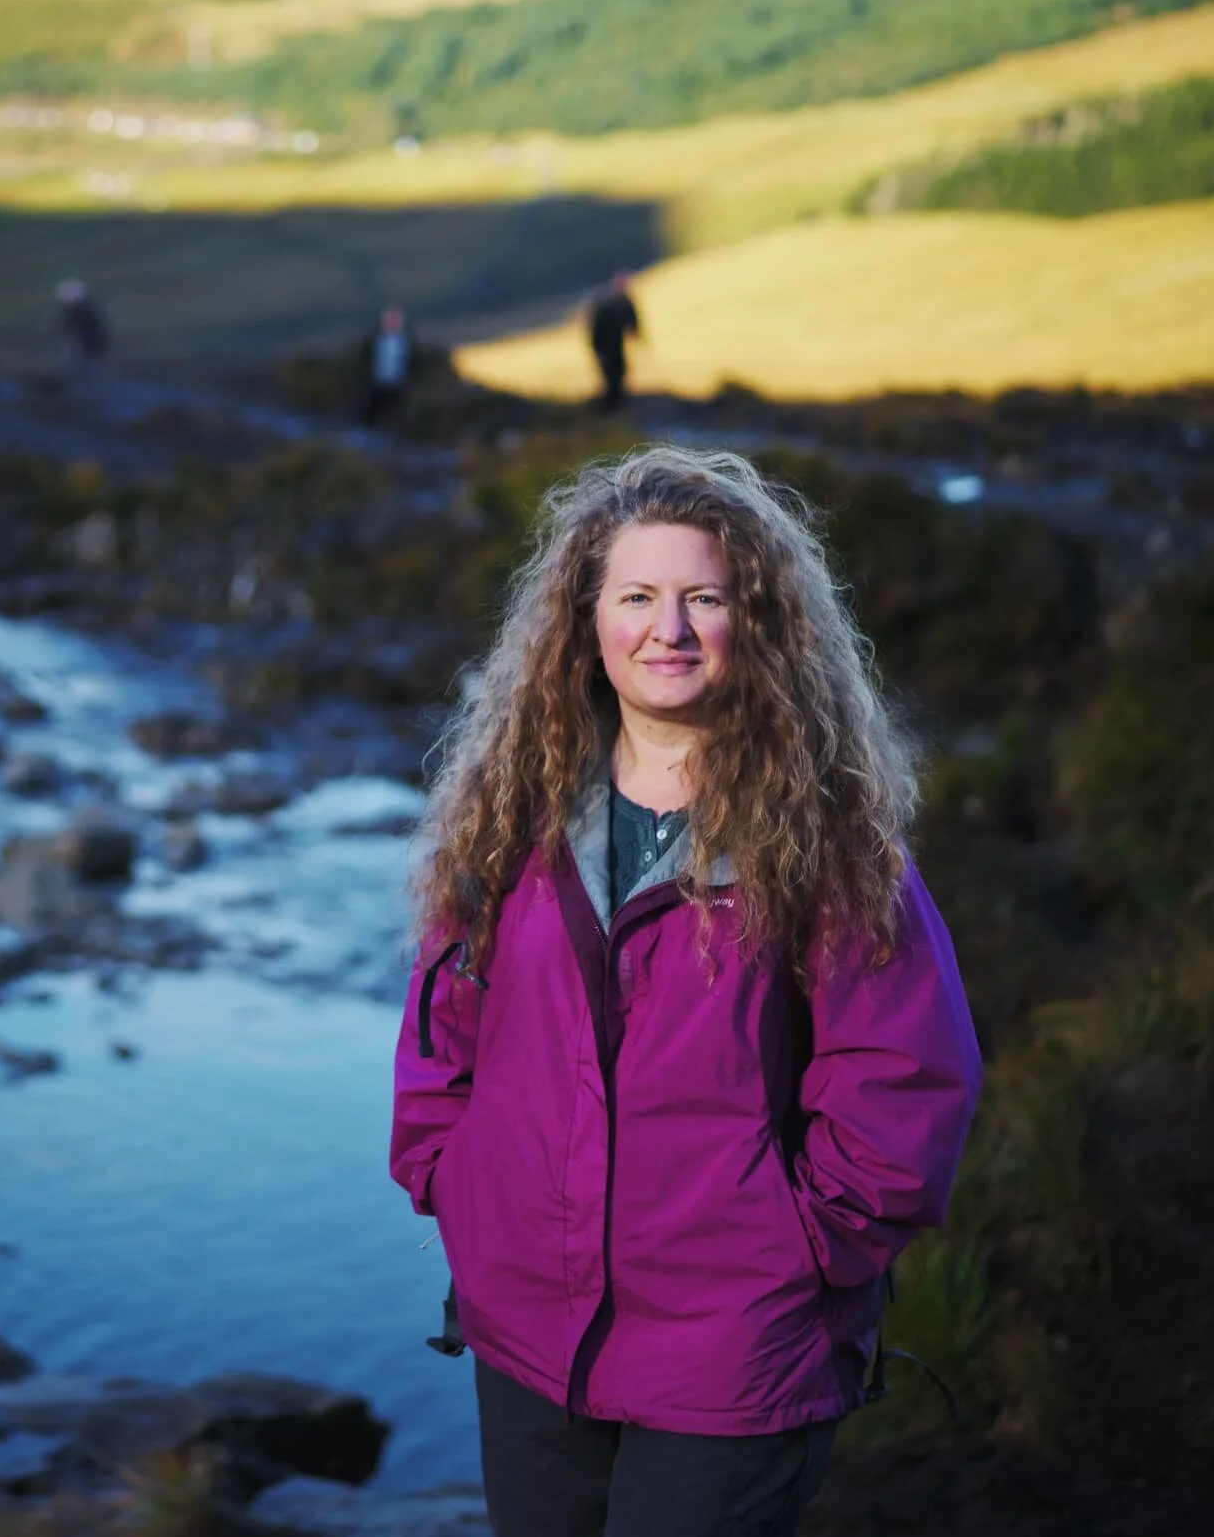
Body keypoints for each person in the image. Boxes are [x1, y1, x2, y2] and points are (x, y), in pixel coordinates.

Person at [391, 446, 982, 1537]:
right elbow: (442, 1027)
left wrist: (796, 1254)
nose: (667, 628)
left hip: (732, 1347)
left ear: (751, 622)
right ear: (585, 620)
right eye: (637, 597)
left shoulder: (831, 846)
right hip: (525, 1325)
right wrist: (456, 1183)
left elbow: (907, 1085)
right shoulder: (509, 818)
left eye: (703, 598)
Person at [585, 272, 642, 410]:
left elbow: (633, 320)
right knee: (610, 375)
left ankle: (617, 405)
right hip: (603, 345)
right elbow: (595, 329)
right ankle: (609, 406)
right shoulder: (604, 304)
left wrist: (635, 332)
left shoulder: (624, 302)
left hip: (616, 344)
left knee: (620, 371)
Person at [360, 305, 417, 426]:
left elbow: (414, 362)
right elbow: (365, 359)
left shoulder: (407, 341)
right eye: (389, 320)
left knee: (395, 411)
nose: (392, 323)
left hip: (398, 383)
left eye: (395, 320)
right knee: (372, 409)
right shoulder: (375, 340)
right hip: (377, 381)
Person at [56, 279, 110, 380]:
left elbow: (95, 330)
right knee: (78, 367)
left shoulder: (84, 311)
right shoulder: (74, 311)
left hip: (88, 345)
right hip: (82, 344)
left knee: (88, 368)